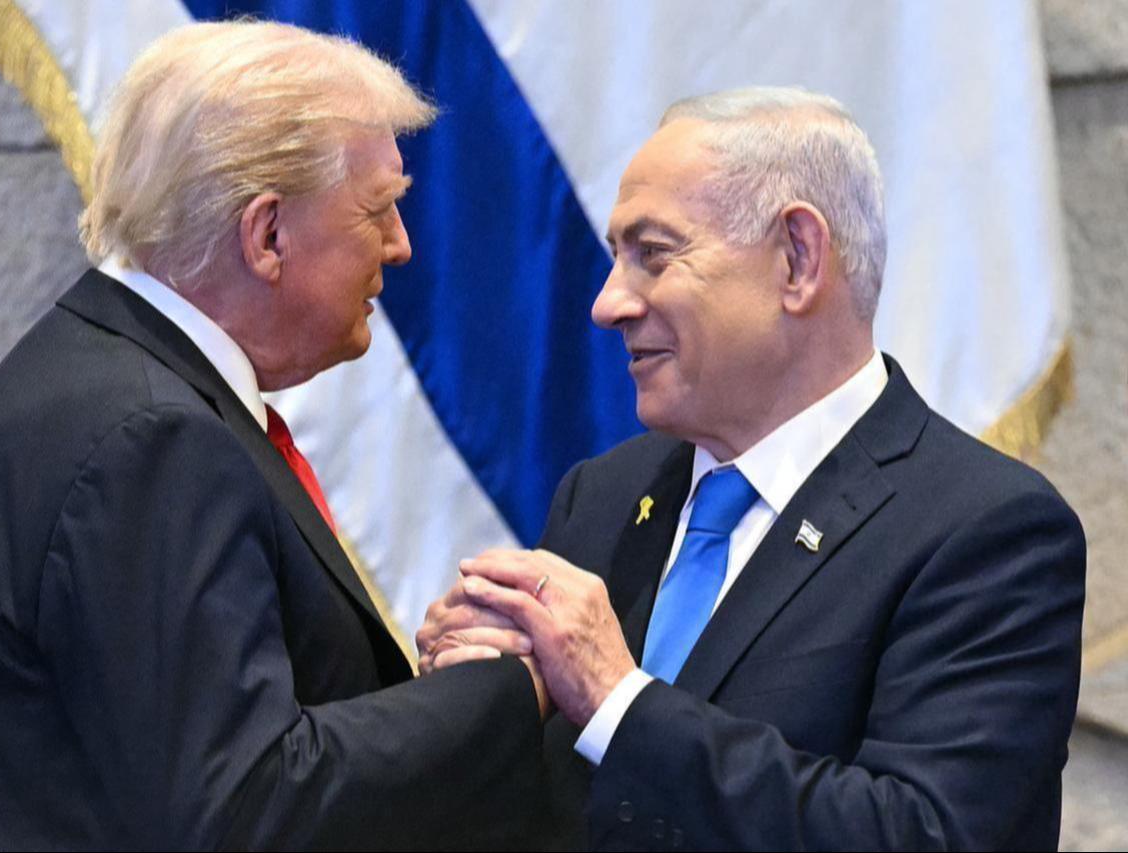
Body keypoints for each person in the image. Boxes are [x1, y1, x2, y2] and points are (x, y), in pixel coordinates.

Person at [0, 21, 544, 851]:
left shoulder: (94, 383)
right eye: (379, 209)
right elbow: (243, 804)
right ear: (267, 235)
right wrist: (504, 688)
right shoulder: (150, 441)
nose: (401, 245)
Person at [419, 87, 1085, 850]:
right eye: (616, 259)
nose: (608, 303)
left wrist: (618, 699)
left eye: (654, 255)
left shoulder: (985, 529)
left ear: (798, 259)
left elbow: (926, 834)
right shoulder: (602, 496)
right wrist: (479, 699)